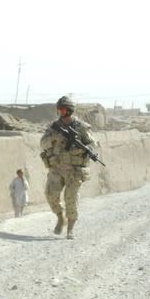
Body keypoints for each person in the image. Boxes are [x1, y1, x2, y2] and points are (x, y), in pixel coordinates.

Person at [40, 94, 97, 238]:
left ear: (70, 110)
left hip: (74, 170)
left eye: (63, 109)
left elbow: (92, 144)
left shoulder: (81, 127)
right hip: (57, 167)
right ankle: (60, 218)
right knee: (50, 195)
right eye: (59, 109)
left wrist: (84, 149)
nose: (60, 112)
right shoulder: (54, 127)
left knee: (71, 199)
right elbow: (42, 143)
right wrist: (53, 138)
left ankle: (70, 228)